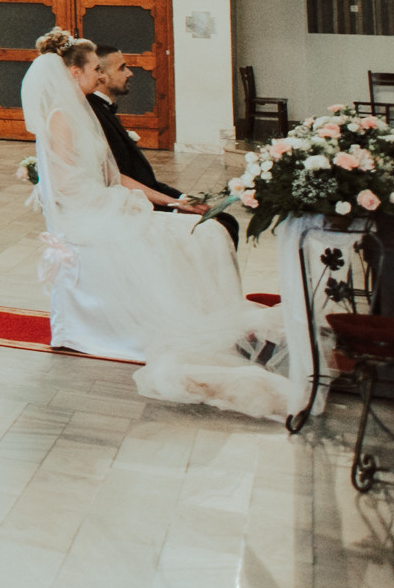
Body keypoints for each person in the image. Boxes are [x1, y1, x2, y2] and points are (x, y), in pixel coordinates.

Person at [24, 30, 285, 418]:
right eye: (96, 69)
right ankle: (191, 327)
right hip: (86, 218)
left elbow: (114, 176)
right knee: (186, 238)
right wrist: (122, 203)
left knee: (210, 231)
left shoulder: (82, 113)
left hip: (108, 205)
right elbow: (65, 188)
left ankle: (216, 320)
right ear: (74, 73)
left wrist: (173, 201)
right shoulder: (61, 118)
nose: (101, 75)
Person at [91, 45, 239, 244]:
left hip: (146, 194)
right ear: (100, 74)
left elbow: (142, 178)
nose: (130, 73)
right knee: (222, 225)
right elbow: (116, 178)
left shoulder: (103, 110)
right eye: (122, 68)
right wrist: (176, 203)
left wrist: (184, 198)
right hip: (133, 204)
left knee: (223, 219)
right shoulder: (94, 115)